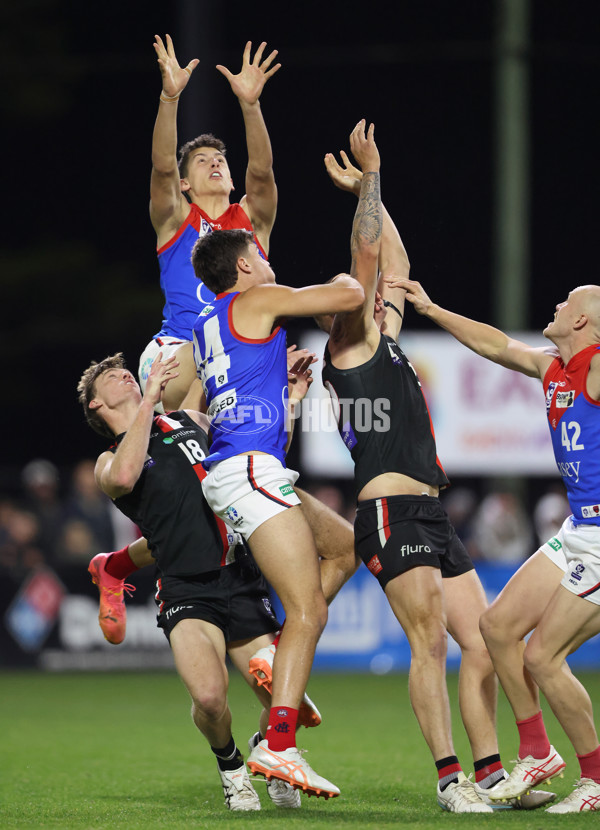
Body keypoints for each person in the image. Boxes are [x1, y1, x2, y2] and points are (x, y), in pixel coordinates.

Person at [318, 139, 555, 813]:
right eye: (345, 296)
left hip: (430, 514)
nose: (358, 295)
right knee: (428, 644)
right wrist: (373, 178)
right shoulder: (349, 346)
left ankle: (490, 774)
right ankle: (451, 780)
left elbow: (396, 262)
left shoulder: (381, 338)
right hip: (389, 514)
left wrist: (373, 190)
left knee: (481, 643)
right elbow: (369, 260)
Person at [188, 123, 377, 800]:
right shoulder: (255, 298)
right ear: (243, 266)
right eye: (259, 255)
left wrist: (289, 395)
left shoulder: (213, 322)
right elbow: (349, 297)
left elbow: (256, 421)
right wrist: (347, 269)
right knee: (308, 612)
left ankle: (277, 683)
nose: (268, 259)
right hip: (246, 474)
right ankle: (281, 741)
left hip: (246, 469)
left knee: (346, 547)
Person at [384, 277, 600, 813]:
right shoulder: (554, 368)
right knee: (496, 629)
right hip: (578, 529)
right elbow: (497, 345)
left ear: (582, 321)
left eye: (566, 301)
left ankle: (595, 780)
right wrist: (432, 308)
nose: (556, 303)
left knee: (543, 656)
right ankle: (537, 753)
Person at [77, 351, 314, 811]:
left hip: (240, 575)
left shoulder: (187, 419)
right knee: (208, 697)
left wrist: (291, 399)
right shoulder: (108, 462)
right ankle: (232, 767)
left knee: (287, 695)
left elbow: (255, 448)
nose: (124, 373)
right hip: (186, 587)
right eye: (110, 376)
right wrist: (148, 398)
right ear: (95, 405)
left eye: (126, 370)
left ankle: (271, 749)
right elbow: (126, 476)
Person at [139, 34, 280, 413]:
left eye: (220, 159)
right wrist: (170, 98)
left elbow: (262, 173)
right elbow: (163, 166)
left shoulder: (250, 220)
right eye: (202, 160)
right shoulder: (175, 219)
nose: (215, 162)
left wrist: (250, 105)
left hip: (232, 357)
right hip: (175, 355)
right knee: (225, 357)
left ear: (233, 180)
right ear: (184, 185)